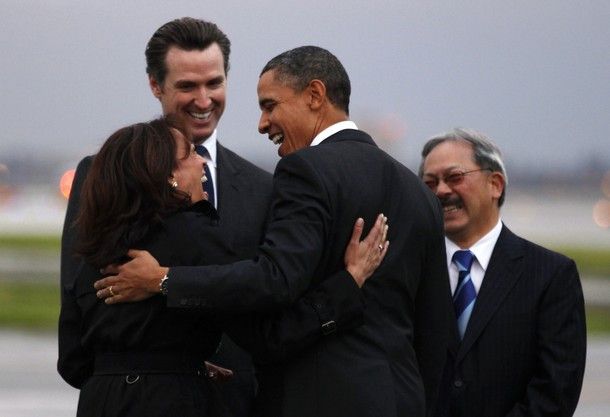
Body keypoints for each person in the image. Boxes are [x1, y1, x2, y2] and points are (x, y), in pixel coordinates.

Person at [95, 46, 452, 417]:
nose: (262, 123)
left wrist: (165, 280)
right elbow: (434, 327)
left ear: (315, 95)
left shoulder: (307, 170)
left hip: (319, 400)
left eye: (270, 105)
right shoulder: (419, 194)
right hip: (404, 398)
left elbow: (275, 279)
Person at [58, 117, 388, 416]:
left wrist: (165, 362)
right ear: (168, 177)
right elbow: (267, 337)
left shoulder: (92, 248)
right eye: (189, 155)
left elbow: (72, 362)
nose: (201, 162)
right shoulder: (195, 235)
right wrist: (348, 283)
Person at [59, 18, 272, 417]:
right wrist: (132, 373)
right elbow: (75, 292)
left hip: (237, 401)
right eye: (187, 86)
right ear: (156, 86)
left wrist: (163, 284)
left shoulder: (263, 188)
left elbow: (261, 294)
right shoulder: (99, 172)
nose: (204, 99)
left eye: (214, 83)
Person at [418, 128, 587, 417]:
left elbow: (556, 390)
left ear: (495, 184)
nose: (442, 191)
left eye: (454, 177)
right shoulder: (411, 271)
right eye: (430, 183)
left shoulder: (550, 275)